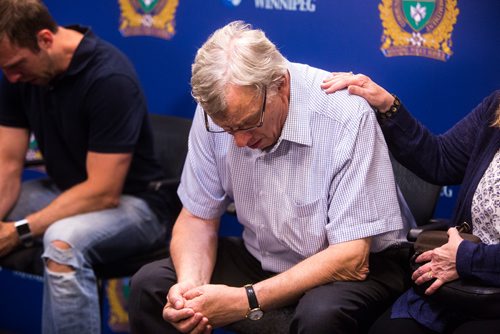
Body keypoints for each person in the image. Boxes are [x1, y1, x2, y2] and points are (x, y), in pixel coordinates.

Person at [128, 21, 416, 334]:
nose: (239, 142)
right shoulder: (218, 111)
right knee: (152, 286)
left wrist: (246, 300)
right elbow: (197, 217)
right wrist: (190, 291)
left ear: (280, 84)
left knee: (321, 315)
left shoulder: (345, 115)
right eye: (228, 129)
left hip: (357, 267)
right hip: (269, 257)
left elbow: (351, 258)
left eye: (249, 123)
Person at [0, 1, 176, 333]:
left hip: (136, 205)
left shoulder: (109, 77)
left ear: (45, 39)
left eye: (16, 65)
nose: (11, 76)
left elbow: (103, 192)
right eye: (5, 68)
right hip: (65, 192)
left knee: (61, 242)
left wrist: (18, 231)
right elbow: (7, 165)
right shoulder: (17, 73)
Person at [321, 72, 500, 333]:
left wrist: (465, 258)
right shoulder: (495, 108)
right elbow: (441, 160)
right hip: (454, 285)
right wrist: (387, 105)